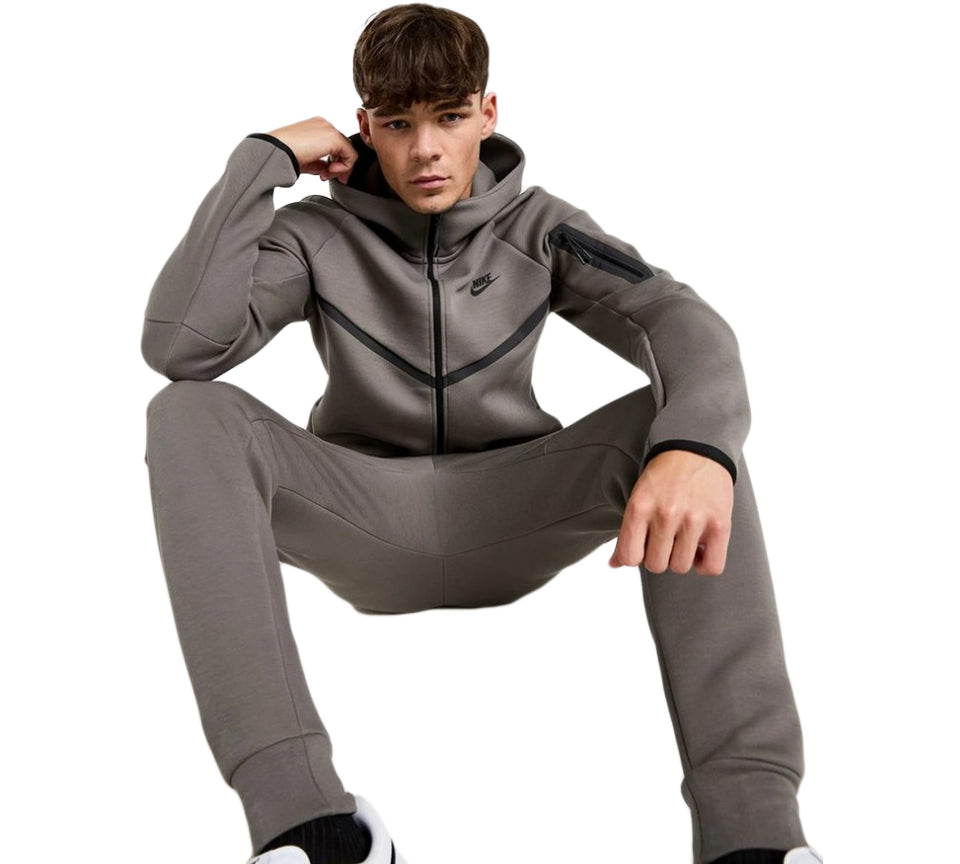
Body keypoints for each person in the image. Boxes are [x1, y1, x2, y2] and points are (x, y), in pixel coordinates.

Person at [141, 5, 822, 864]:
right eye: (398, 124)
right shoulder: (315, 237)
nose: (425, 149)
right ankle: (308, 826)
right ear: (364, 129)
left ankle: (753, 835)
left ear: (487, 115)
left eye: (450, 117)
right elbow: (181, 347)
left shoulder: (541, 227)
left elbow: (681, 320)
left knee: (686, 430)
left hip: (514, 511)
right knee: (187, 413)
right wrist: (261, 162)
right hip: (363, 514)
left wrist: (696, 447)